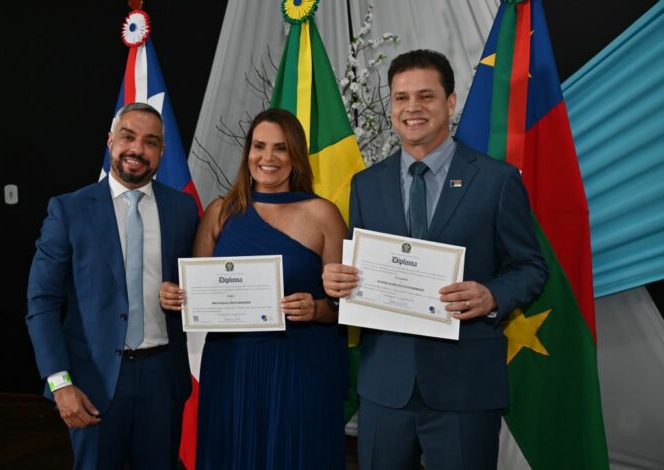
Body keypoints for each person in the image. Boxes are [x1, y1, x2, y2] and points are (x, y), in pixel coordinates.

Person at [322, 50, 548, 469]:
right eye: (401, 97)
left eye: (425, 96)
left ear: (451, 102)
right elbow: (360, 271)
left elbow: (531, 267)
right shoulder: (366, 185)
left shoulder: (497, 180)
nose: (412, 108)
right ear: (390, 107)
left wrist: (493, 296)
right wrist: (339, 288)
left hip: (465, 388)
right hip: (385, 388)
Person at [160, 108, 348, 469]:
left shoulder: (324, 214)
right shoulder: (220, 212)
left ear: (296, 155)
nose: (268, 157)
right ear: (247, 152)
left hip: (301, 368)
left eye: (280, 148)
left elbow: (344, 305)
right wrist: (175, 296)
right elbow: (197, 293)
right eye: (259, 146)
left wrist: (316, 308)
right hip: (232, 369)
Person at [26, 102, 199, 469]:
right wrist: (61, 384)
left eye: (151, 142)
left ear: (162, 152)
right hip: (92, 382)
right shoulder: (69, 210)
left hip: (162, 378)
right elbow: (41, 302)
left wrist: (187, 295)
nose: (137, 149)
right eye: (128, 136)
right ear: (110, 141)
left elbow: (197, 284)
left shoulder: (183, 210)